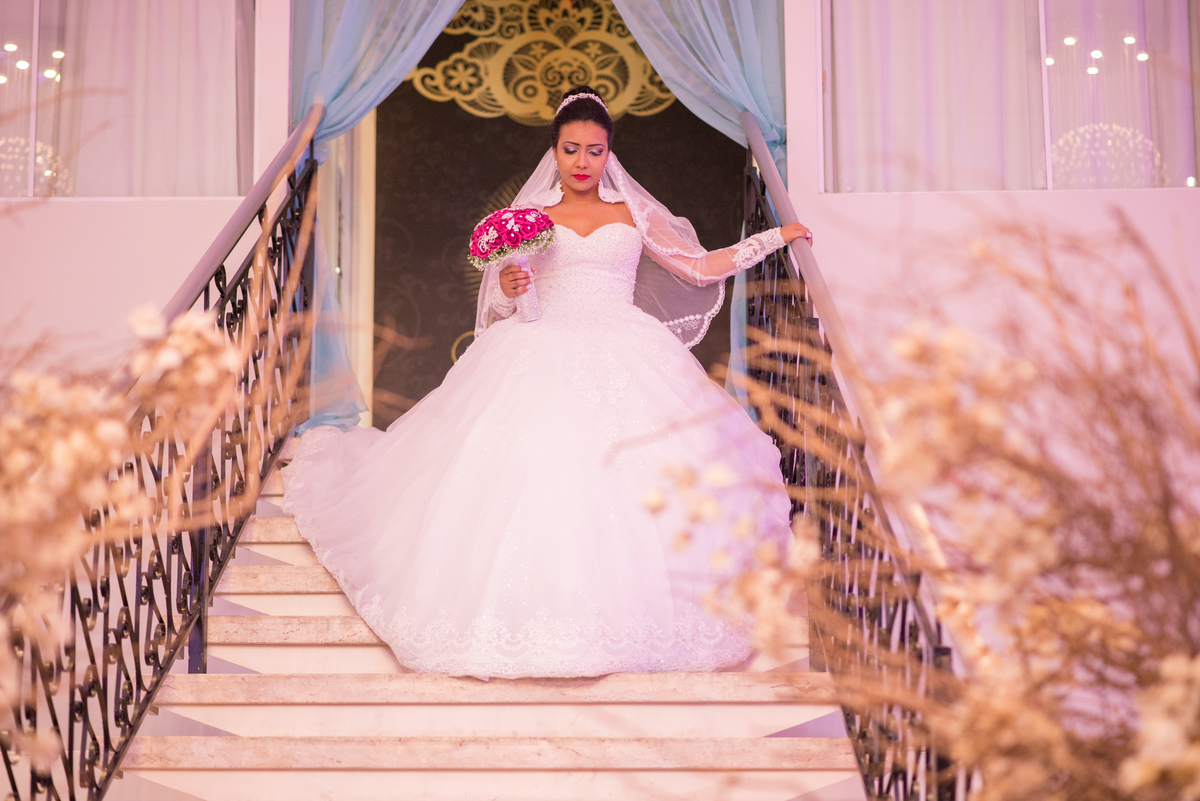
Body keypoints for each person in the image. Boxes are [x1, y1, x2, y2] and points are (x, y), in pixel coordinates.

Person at [281, 85, 813, 680]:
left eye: (595, 150)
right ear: (554, 151)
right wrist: (512, 287)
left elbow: (698, 266)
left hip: (624, 345)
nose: (583, 161)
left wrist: (776, 237)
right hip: (539, 346)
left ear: (610, 153)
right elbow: (509, 306)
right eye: (571, 149)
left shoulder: (632, 213)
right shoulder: (530, 219)